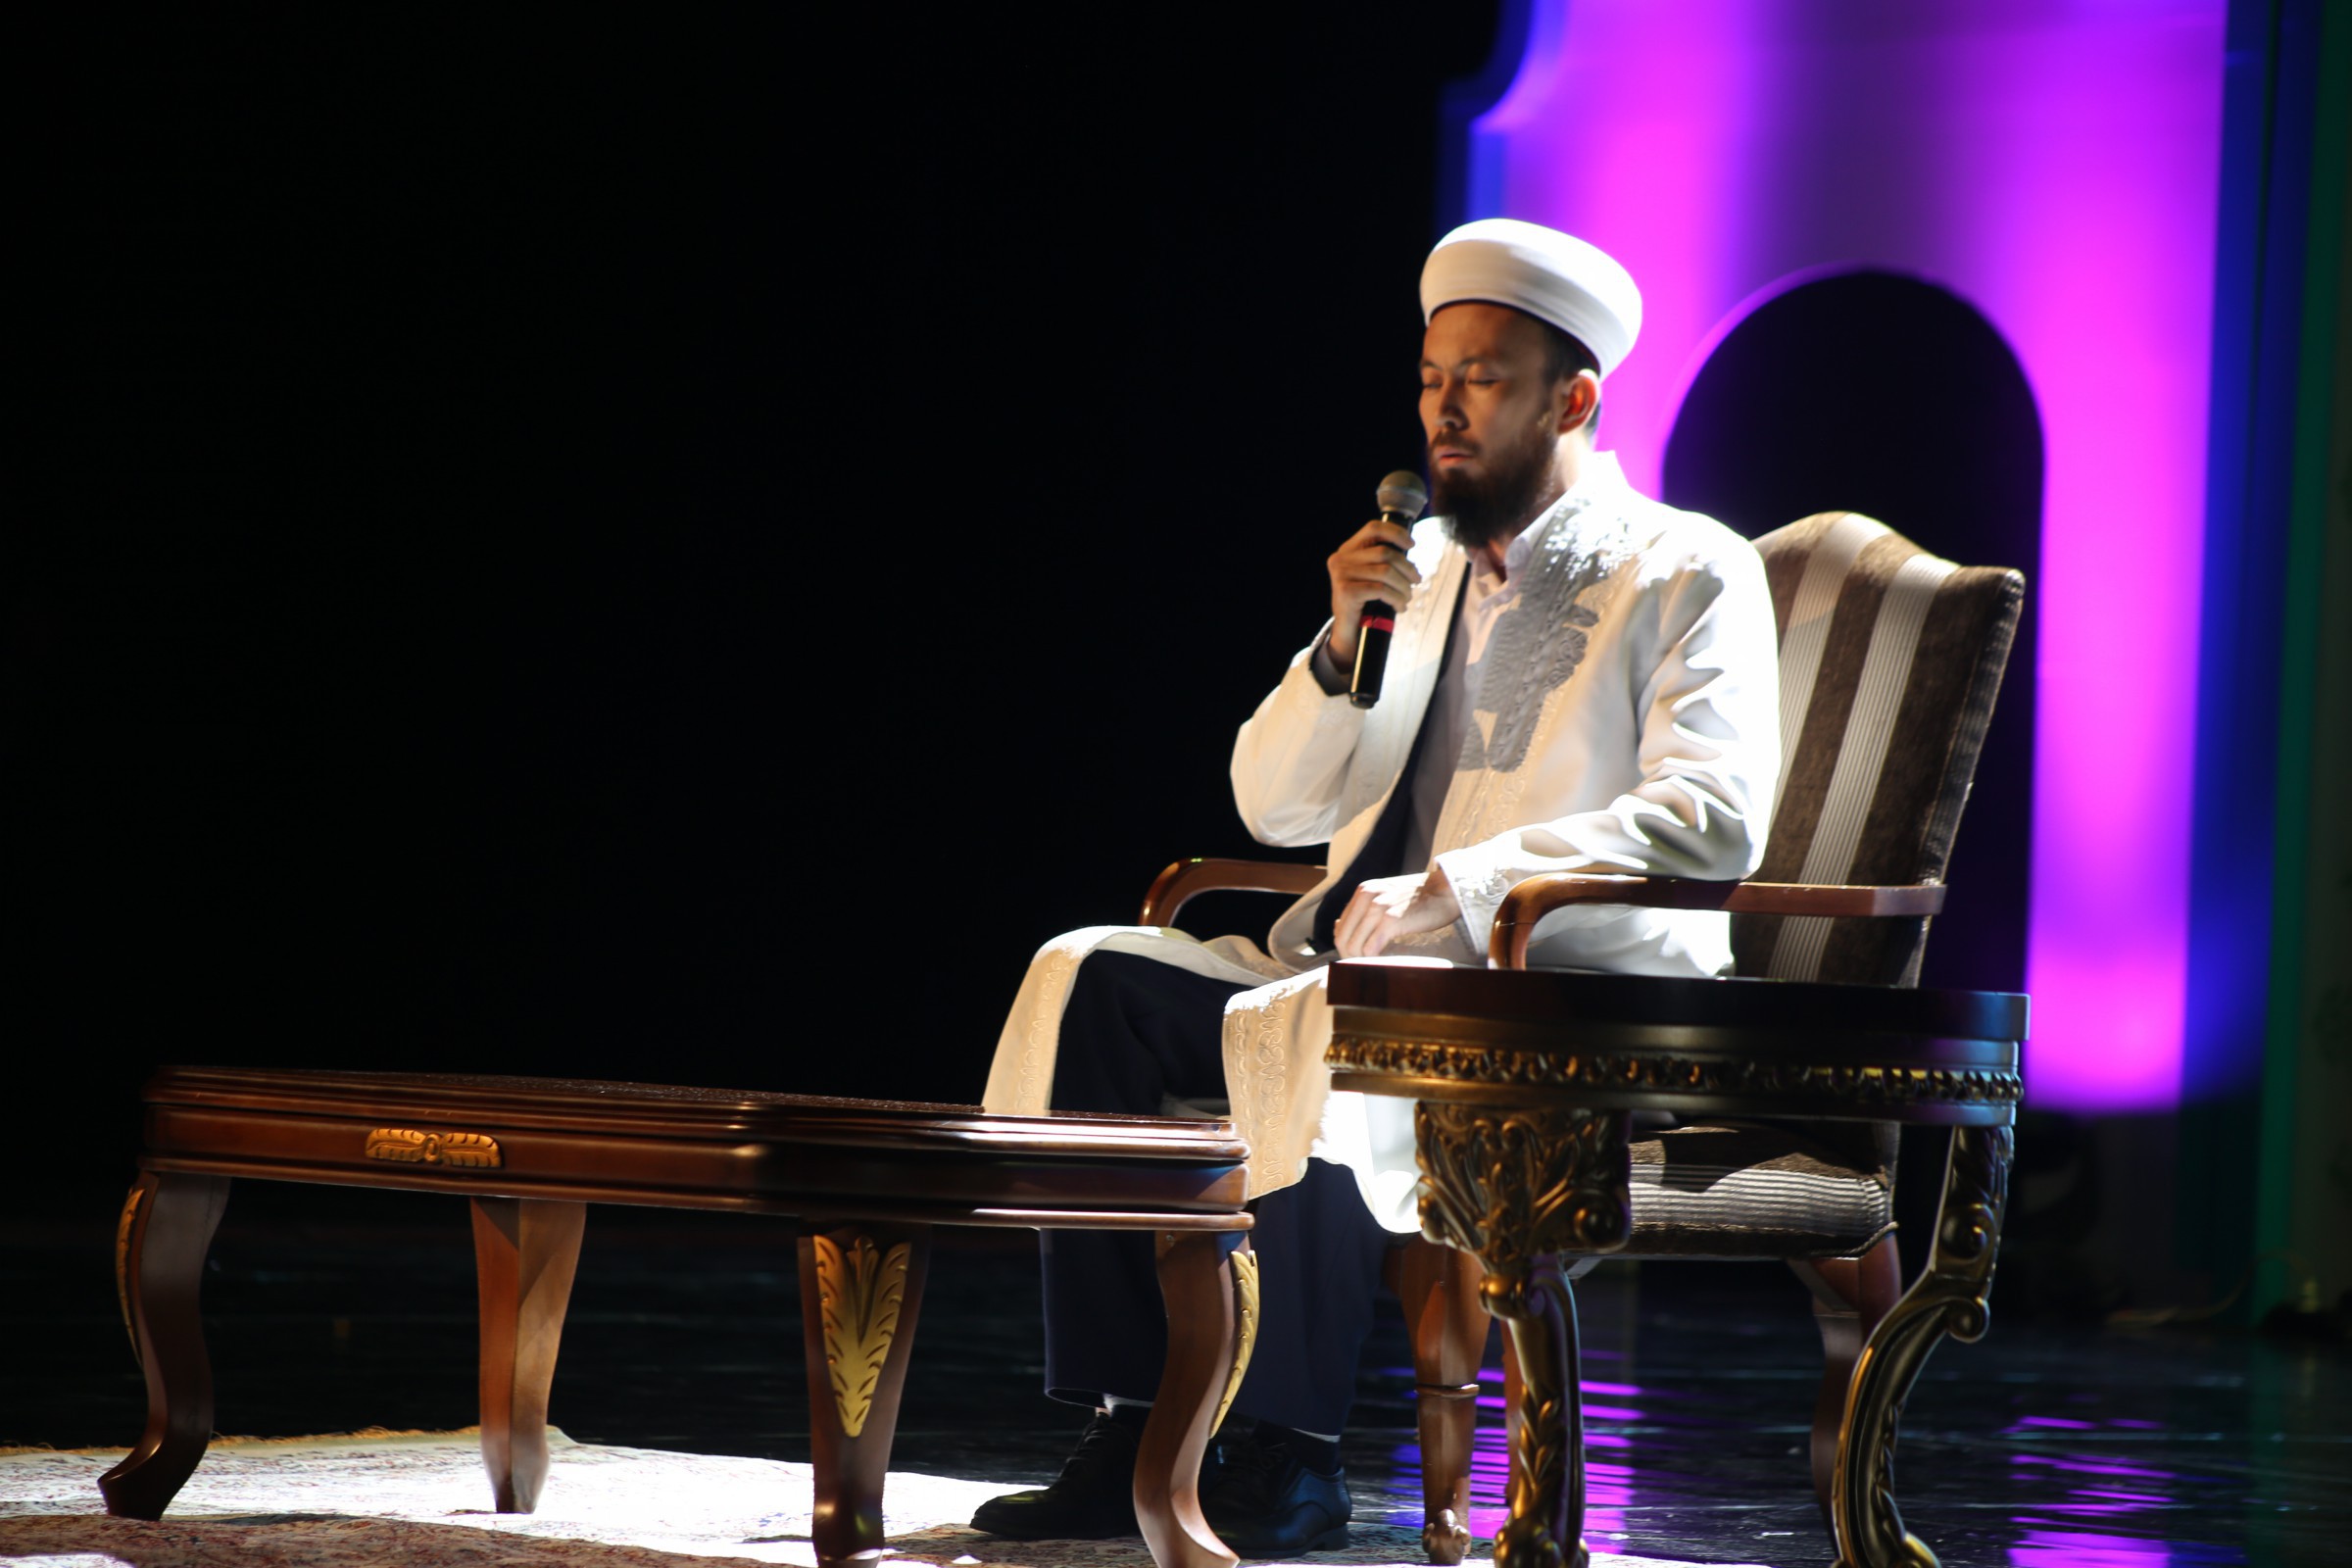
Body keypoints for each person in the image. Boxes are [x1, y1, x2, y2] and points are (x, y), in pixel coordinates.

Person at [973, 219, 1783, 1555]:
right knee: (1094, 977)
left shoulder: (1687, 566)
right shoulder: (1423, 574)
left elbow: (1713, 818)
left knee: (1322, 1020)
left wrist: (1463, 888)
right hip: (1365, 964)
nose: (1443, 410)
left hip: (1557, 984)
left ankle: (1287, 1454)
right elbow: (1274, 806)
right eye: (1429, 379)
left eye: (1482, 380)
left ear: (1573, 398)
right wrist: (1339, 646)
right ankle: (1137, 1423)